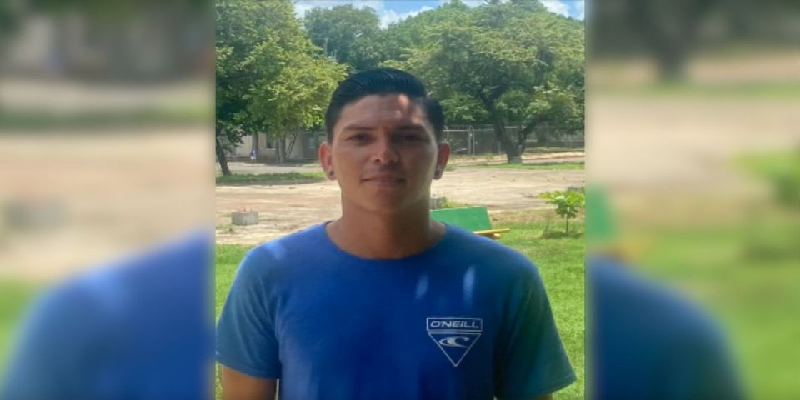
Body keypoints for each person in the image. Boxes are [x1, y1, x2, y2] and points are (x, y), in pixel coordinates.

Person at [216, 68, 576, 400]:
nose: (384, 155)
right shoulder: (270, 272)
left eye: (407, 137)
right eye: (360, 137)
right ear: (328, 160)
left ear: (441, 159)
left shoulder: (505, 276)